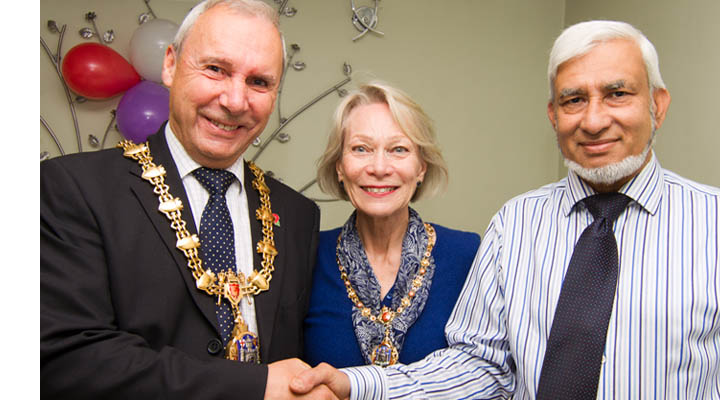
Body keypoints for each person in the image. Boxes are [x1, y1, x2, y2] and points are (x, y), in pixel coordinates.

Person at [291, 20, 720, 399]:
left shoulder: (712, 224)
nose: (592, 120)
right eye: (573, 100)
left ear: (657, 105)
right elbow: (482, 367)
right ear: (554, 115)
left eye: (617, 94)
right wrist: (361, 384)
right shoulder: (514, 225)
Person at [40, 1, 330, 398]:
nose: (234, 100)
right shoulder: (73, 188)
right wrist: (253, 387)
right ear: (171, 65)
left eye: (259, 82)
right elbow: (66, 359)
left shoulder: (298, 216)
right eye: (216, 69)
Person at [303, 82, 481, 368]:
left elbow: (485, 375)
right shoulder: (306, 257)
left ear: (421, 167)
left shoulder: (467, 254)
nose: (379, 167)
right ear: (339, 166)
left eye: (398, 149)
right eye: (361, 149)